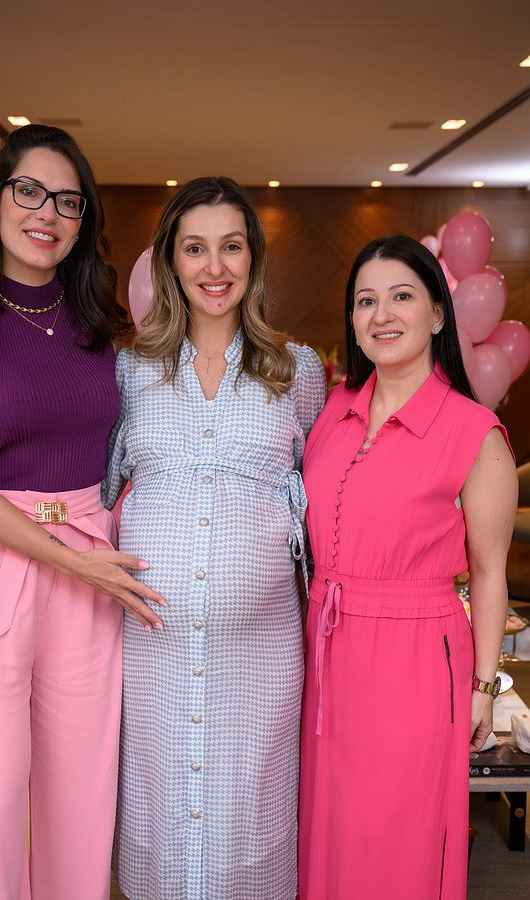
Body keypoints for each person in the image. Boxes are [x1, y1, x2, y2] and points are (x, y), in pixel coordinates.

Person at [0, 124, 166, 900]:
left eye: (67, 200)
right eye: (29, 191)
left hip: (89, 564)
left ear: (83, 220)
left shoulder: (105, 332)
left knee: (81, 798)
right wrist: (72, 561)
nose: (46, 213)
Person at [103, 176, 327, 899]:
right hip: (153, 654)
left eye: (231, 246)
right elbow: (98, 497)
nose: (214, 267)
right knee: (159, 817)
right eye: (194, 248)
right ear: (170, 261)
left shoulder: (297, 372)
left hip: (260, 659)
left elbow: (321, 499)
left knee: (250, 820)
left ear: (252, 258)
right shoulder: (129, 371)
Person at [298, 235, 518, 899]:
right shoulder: (332, 413)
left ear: (438, 313)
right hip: (326, 651)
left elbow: (489, 573)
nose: (381, 315)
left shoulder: (473, 431)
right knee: (330, 827)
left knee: (397, 833)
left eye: (401, 296)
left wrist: (483, 686)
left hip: (416, 659)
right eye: (365, 301)